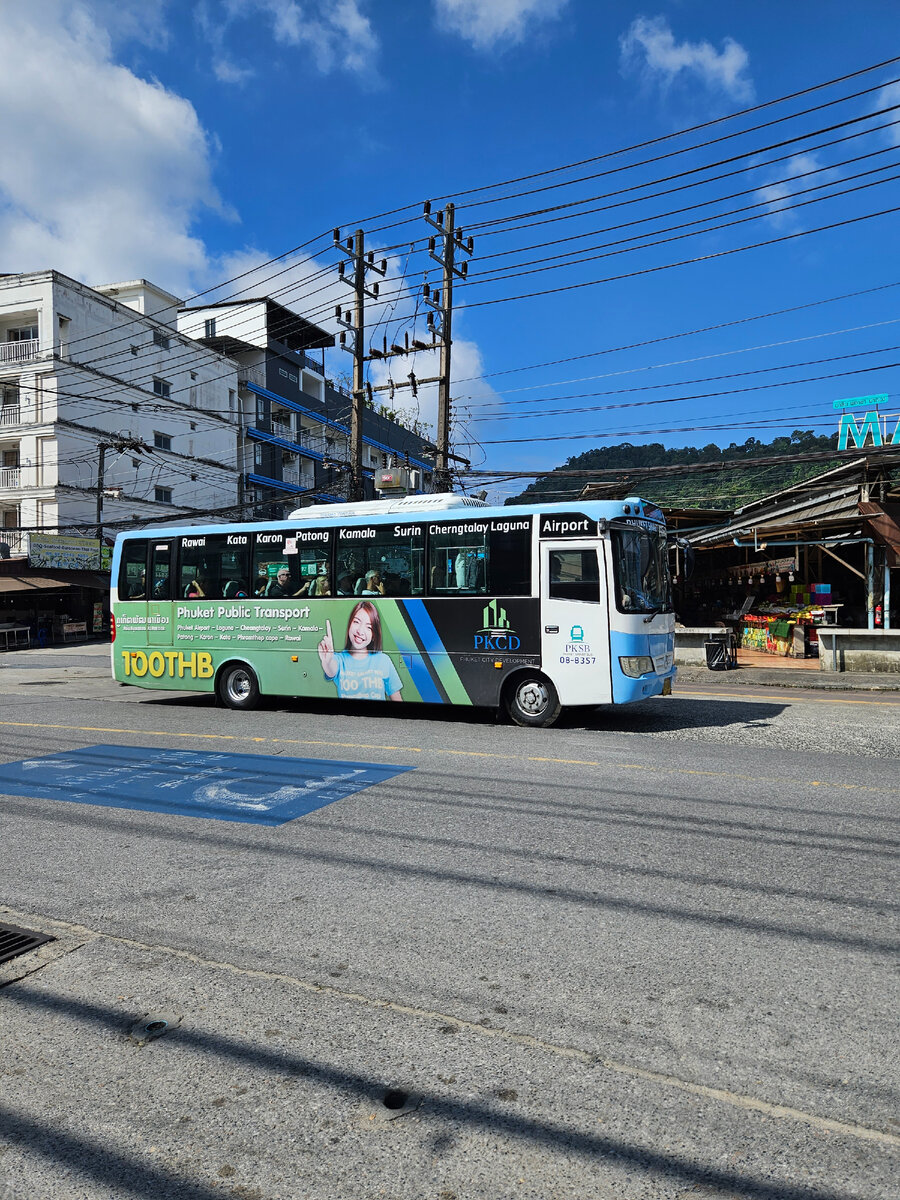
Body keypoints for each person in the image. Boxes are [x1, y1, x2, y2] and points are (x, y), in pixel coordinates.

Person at [317, 601, 402, 702]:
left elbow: (397, 700)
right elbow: (331, 669)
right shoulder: (339, 659)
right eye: (356, 622)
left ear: (374, 634)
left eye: (369, 627)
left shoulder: (383, 660)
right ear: (350, 624)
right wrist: (327, 661)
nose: (360, 631)